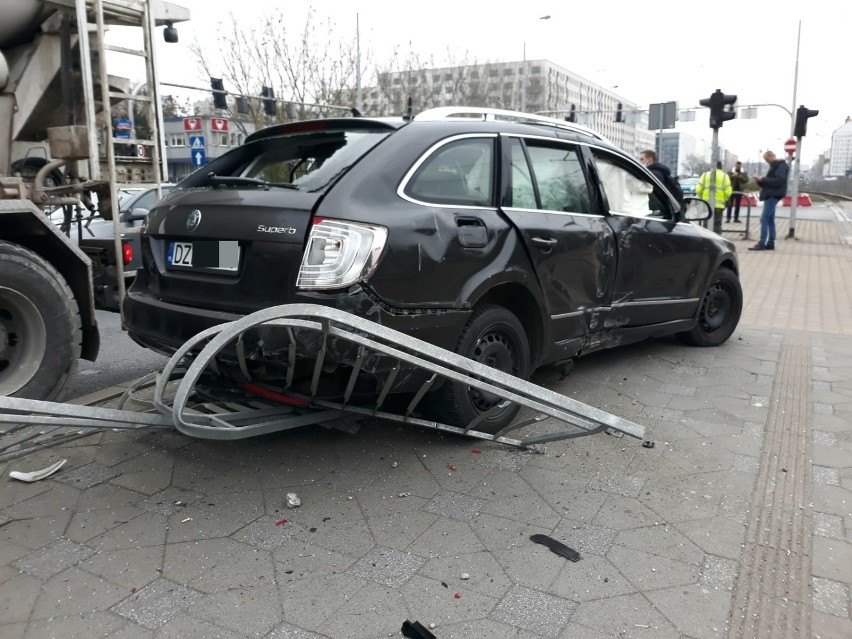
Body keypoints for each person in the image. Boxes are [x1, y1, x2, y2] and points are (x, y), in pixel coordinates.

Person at [750, 151, 789, 251]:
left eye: (767, 160)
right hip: (773, 193)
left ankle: (762, 243)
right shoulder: (776, 166)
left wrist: (764, 179)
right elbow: (772, 182)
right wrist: (760, 181)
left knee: (764, 219)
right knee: (770, 219)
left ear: (772, 156)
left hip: (773, 195)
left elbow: (778, 181)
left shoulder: (780, 166)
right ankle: (771, 242)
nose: (767, 162)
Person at [696, 161, 732, 234]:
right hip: (719, 205)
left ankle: (706, 239)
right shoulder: (725, 176)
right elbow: (728, 191)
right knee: (717, 224)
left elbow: (698, 189)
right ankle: (716, 240)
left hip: (706, 204)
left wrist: (702, 197)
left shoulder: (705, 175)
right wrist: (724, 199)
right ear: (721, 167)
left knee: (706, 223)